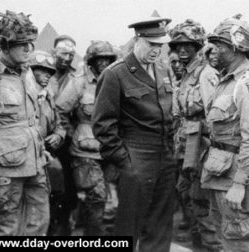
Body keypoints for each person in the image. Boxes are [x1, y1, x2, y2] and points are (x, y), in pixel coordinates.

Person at [92, 15, 176, 252]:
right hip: (135, 155)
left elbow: (169, 113)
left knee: (160, 225)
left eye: (160, 46)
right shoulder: (115, 74)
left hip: (165, 156)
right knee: (128, 226)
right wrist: (126, 162)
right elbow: (102, 125)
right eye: (151, 44)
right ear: (137, 39)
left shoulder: (163, 70)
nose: (156, 50)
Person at [201, 16, 249, 251]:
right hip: (219, 172)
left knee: (240, 238)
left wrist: (240, 184)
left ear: (236, 48)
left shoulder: (247, 84)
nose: (213, 51)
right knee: (227, 235)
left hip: (234, 177)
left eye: (220, 46)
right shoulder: (226, 81)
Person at [0, 10, 49, 235]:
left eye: (30, 44)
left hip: (35, 165)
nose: (28, 49)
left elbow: (31, 119)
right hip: (5, 171)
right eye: (21, 44)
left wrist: (40, 148)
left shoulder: (27, 74)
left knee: (39, 224)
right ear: (4, 45)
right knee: (5, 229)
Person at [170, 19, 221, 251]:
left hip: (201, 149)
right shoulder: (186, 76)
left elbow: (214, 116)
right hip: (185, 147)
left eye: (188, 45)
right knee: (185, 194)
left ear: (198, 46)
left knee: (200, 201)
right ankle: (199, 242)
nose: (182, 49)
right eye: (177, 45)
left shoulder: (206, 74)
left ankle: (211, 245)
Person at [56, 40, 117, 235]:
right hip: (85, 151)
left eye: (107, 59)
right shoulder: (79, 82)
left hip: (111, 148)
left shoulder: (115, 81)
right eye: (99, 59)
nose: (103, 63)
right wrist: (71, 133)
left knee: (110, 200)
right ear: (91, 61)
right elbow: (60, 110)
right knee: (96, 196)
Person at [29, 50, 66, 235]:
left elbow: (60, 124)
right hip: (27, 155)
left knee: (56, 192)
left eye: (49, 73)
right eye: (42, 71)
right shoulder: (27, 96)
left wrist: (59, 135)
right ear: (30, 71)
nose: (47, 76)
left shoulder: (48, 97)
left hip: (45, 156)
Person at [48, 35, 78, 235]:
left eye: (71, 54)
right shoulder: (39, 72)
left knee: (68, 184)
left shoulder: (77, 78)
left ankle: (63, 224)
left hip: (67, 140)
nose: (67, 58)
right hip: (43, 137)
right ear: (53, 53)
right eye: (63, 53)